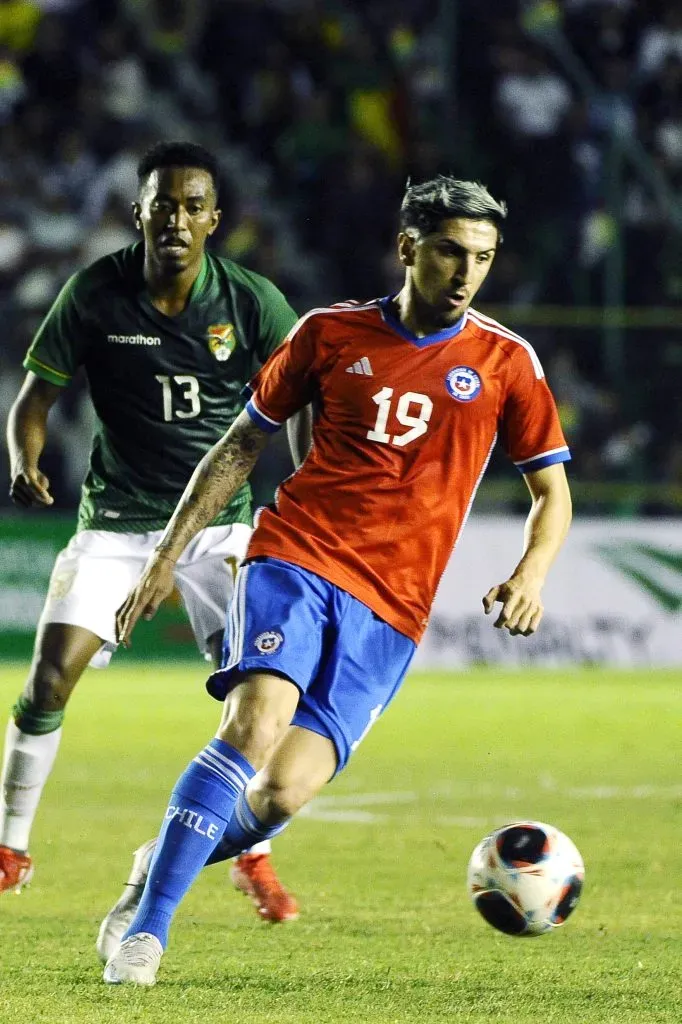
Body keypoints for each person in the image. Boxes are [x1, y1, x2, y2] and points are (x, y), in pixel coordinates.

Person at [102, 175, 573, 985]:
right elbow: (242, 444)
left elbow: (552, 491)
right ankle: (145, 935)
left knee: (283, 793)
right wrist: (168, 554)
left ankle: (164, 855)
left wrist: (531, 571)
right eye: (452, 252)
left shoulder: (506, 362)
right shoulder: (329, 334)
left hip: (393, 608)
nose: (467, 273)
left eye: (483, 258)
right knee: (254, 725)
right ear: (407, 249)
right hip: (300, 554)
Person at [2, 141, 304, 938]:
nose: (175, 217)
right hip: (115, 523)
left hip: (219, 530)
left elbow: (304, 397)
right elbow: (36, 395)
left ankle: (250, 851)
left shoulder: (252, 303)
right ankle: (9, 849)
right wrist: (24, 455)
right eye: (160, 203)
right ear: (137, 213)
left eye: (191, 204)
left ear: (214, 219)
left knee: (265, 702)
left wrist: (305, 480)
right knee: (47, 682)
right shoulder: (95, 294)